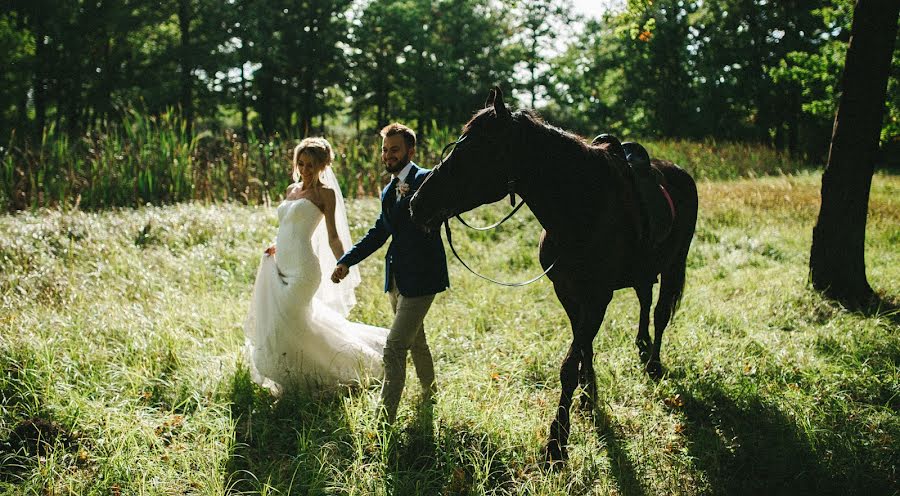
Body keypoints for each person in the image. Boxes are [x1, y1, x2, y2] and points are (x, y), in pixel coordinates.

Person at [244, 137, 388, 393]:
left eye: (311, 165)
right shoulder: (291, 189)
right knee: (290, 324)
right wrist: (276, 246)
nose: (305, 169)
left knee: (288, 319)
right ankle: (288, 375)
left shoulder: (325, 194)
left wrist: (345, 262)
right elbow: (288, 227)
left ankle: (328, 372)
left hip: (303, 271)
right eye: (301, 163)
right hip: (280, 266)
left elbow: (333, 235)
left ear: (323, 166)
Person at [332, 123, 449, 423]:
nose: (388, 155)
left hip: (422, 278)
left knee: (395, 347)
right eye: (385, 150)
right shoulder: (388, 190)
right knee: (417, 341)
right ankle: (430, 394)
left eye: (394, 149)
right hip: (396, 278)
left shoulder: (427, 180)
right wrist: (347, 260)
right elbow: (380, 231)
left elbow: (439, 213)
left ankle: (384, 420)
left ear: (410, 151)